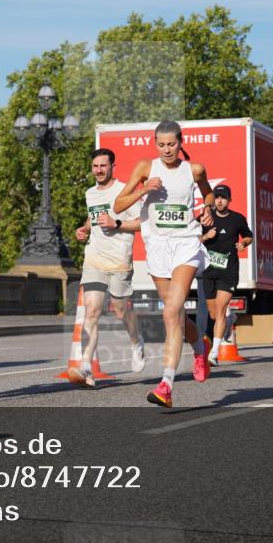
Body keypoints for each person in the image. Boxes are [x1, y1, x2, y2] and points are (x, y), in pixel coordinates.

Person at [114, 120, 214, 408]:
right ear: (155, 144)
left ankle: (166, 385)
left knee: (171, 312)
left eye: (172, 144)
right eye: (161, 144)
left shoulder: (193, 170)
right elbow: (119, 205)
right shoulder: (146, 167)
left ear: (181, 143)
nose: (167, 149)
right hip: (157, 247)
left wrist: (206, 209)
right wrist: (143, 191)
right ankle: (200, 345)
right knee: (178, 316)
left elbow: (208, 193)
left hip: (185, 244)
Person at [70, 148, 146, 388]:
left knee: (122, 311)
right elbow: (93, 219)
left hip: (119, 261)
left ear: (113, 166)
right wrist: (84, 229)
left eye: (103, 166)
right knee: (91, 311)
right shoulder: (90, 193)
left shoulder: (124, 192)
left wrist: (117, 223)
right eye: (95, 166)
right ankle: (86, 367)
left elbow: (142, 223)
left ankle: (136, 341)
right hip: (94, 259)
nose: (99, 170)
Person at [199, 184, 252, 366]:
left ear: (229, 200)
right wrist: (205, 237)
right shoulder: (205, 218)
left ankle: (214, 353)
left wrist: (243, 243)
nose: (219, 201)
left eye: (223, 197)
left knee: (220, 310)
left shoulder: (237, 219)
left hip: (228, 272)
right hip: (208, 271)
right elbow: (191, 240)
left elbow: (248, 236)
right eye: (217, 197)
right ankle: (229, 321)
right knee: (214, 315)